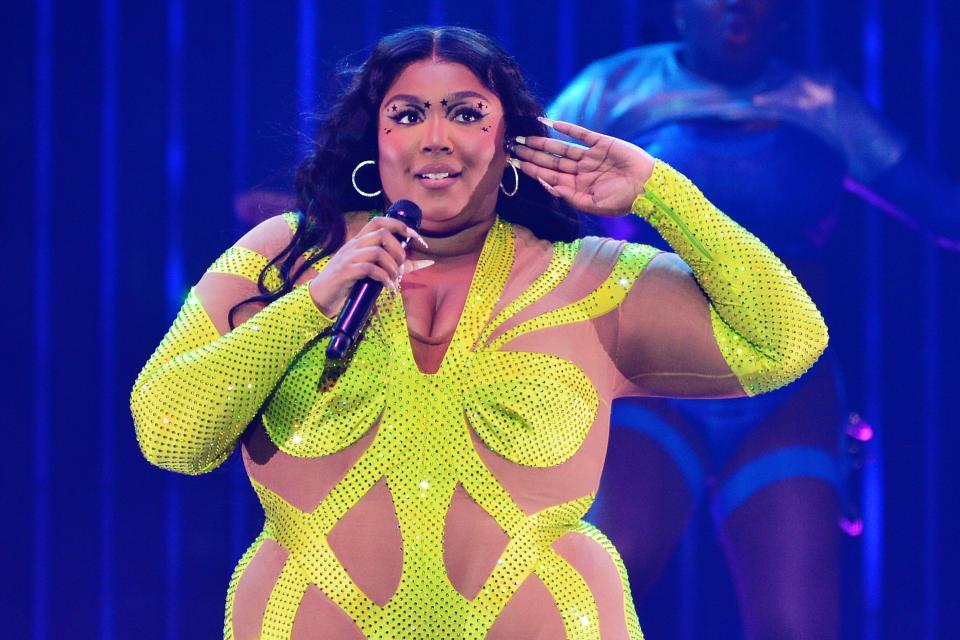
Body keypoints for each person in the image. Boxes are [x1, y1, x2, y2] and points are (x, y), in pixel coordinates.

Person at [131, 26, 827, 639]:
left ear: (510, 140)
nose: (437, 137)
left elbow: (787, 341)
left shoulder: (587, 279)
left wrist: (660, 193)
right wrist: (311, 302)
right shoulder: (284, 256)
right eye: (407, 115)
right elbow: (167, 432)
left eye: (467, 113)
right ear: (376, 138)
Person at [548, 1, 959, 638]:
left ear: (785, 16)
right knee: (598, 591)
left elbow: (939, 208)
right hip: (654, 381)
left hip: (786, 389)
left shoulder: (822, 101)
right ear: (678, 11)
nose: (737, 7)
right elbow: (511, 188)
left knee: (798, 624)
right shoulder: (613, 87)